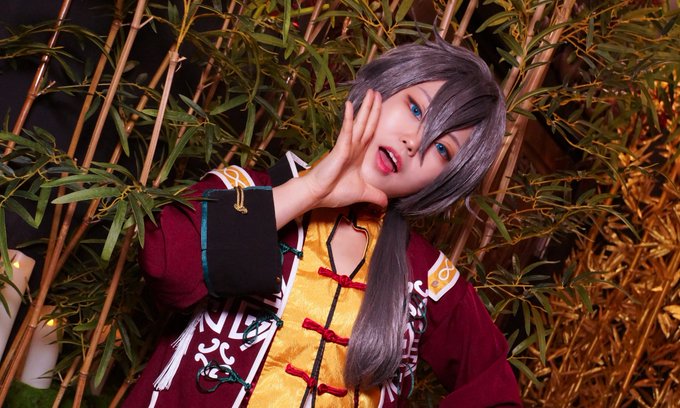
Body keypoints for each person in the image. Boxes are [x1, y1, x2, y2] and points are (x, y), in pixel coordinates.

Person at [124, 38, 522, 407]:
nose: (414, 141)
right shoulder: (246, 189)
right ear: (381, 90)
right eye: (416, 109)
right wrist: (310, 189)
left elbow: (495, 389)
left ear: (444, 179)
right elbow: (163, 262)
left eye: (442, 149)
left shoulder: (426, 279)